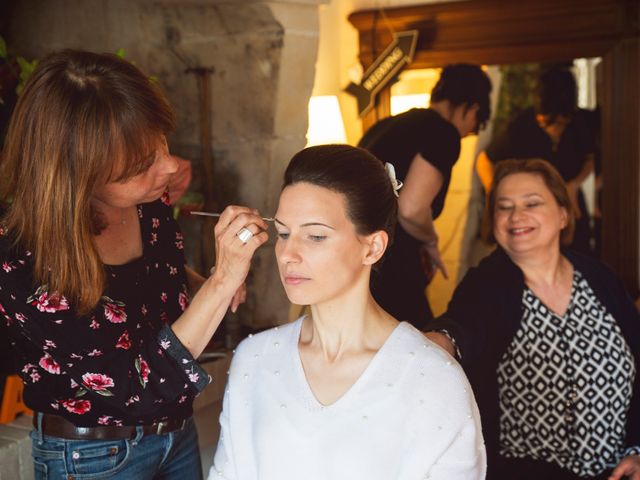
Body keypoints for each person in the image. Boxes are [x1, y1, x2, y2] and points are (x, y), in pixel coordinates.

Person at [0, 50, 268, 479]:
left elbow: (156, 281)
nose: (168, 166)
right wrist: (221, 281)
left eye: (160, 141)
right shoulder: (22, 262)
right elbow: (137, 384)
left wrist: (200, 285)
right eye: (143, 164)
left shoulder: (147, 202)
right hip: (91, 457)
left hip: (175, 434)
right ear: (78, 177)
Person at [208, 144, 486, 480]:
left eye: (315, 236)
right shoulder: (253, 358)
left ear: (372, 247)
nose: (287, 254)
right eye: (283, 233)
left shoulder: (434, 379)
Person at [428, 159, 640, 480]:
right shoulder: (487, 283)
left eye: (532, 203)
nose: (516, 216)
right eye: (504, 207)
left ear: (563, 214)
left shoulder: (600, 278)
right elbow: (463, 325)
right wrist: (434, 342)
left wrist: (637, 449)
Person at [358, 64, 492, 329]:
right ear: (473, 109)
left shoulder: (386, 126)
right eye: (475, 127)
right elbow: (410, 208)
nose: (467, 134)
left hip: (360, 259)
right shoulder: (444, 133)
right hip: (391, 266)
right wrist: (431, 241)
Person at [476, 66, 596, 255]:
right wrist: (496, 194)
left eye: (559, 123)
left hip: (570, 203)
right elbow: (483, 161)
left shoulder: (582, 122)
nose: (552, 130)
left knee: (577, 256)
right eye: (544, 122)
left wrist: (574, 184)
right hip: (530, 208)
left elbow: (590, 159)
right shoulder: (520, 127)